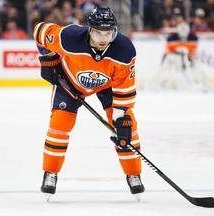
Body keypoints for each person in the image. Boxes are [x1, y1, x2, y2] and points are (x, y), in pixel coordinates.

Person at [33, 7, 145, 201]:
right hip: (69, 82)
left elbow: (123, 91)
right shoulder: (69, 37)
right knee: (59, 126)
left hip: (107, 85)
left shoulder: (125, 50)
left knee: (126, 129)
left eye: (108, 33)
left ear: (114, 31)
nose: (103, 38)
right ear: (89, 29)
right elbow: (39, 31)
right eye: (99, 33)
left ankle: (133, 174)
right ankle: (50, 173)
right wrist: (48, 58)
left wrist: (121, 120)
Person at [152, 21, 211, 91]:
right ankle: (157, 83)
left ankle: (204, 83)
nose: (183, 33)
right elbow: (168, 52)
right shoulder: (171, 38)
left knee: (195, 68)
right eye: (182, 30)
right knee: (166, 67)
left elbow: (193, 52)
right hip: (174, 58)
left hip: (187, 58)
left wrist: (186, 56)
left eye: (185, 30)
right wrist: (178, 52)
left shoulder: (193, 38)